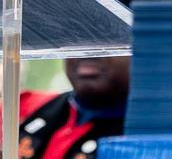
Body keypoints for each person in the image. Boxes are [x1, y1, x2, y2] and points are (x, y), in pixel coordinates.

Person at [1, 57, 129, 159]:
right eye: (77, 39)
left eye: (106, 40)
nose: (88, 53)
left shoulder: (140, 137)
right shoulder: (20, 108)